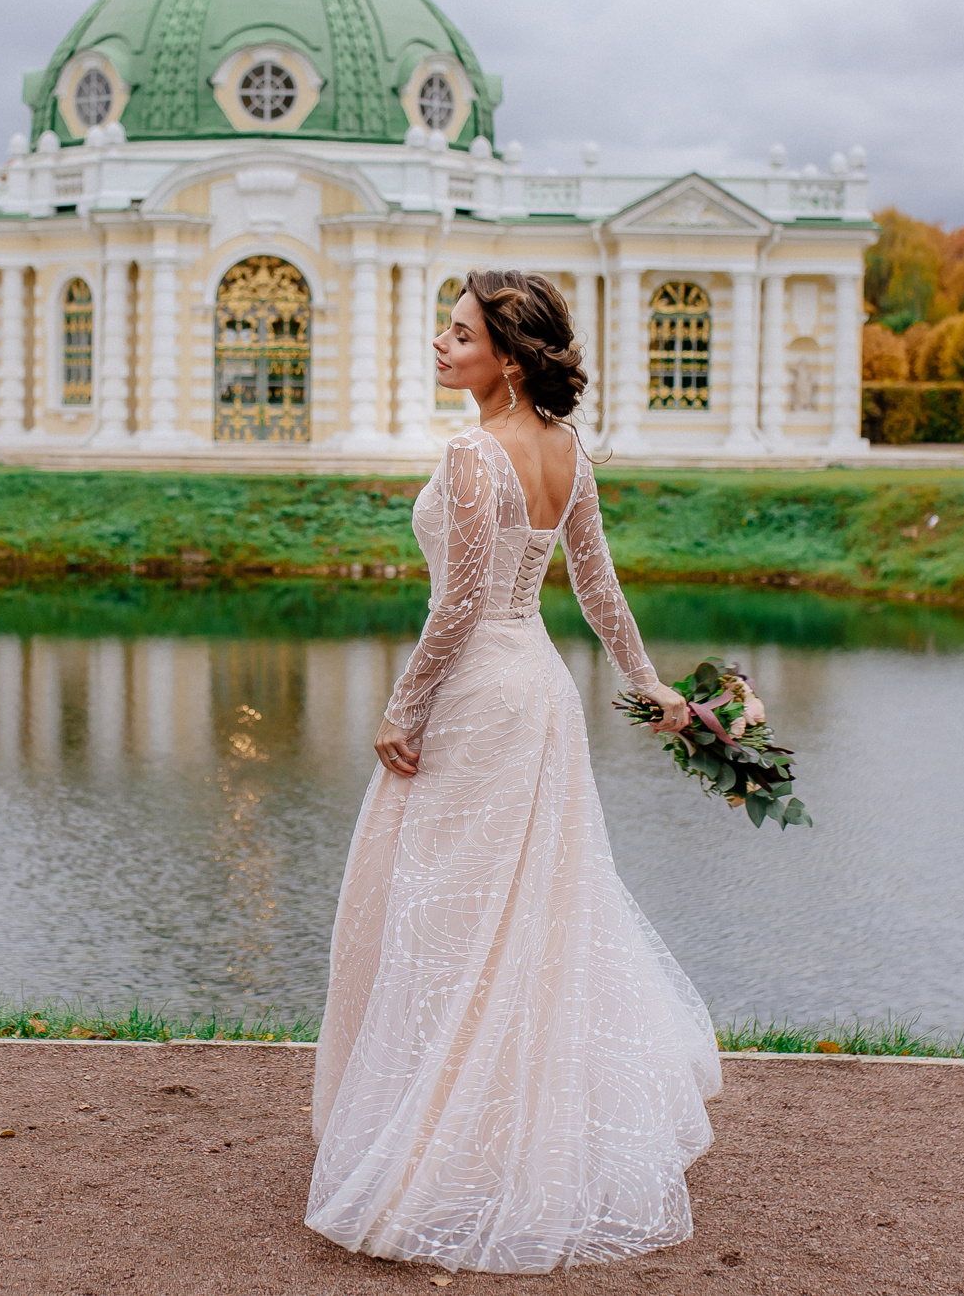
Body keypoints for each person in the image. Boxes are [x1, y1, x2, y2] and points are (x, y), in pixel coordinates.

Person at [305, 270, 757, 1273]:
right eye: (443, 328)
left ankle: (442, 1143)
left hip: (477, 692)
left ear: (508, 356)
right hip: (539, 691)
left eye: (458, 332)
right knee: (523, 912)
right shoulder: (567, 451)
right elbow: (600, 594)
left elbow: (457, 607)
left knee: (441, 908)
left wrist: (401, 706)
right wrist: (652, 691)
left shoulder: (473, 453)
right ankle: (489, 1122)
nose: (440, 342)